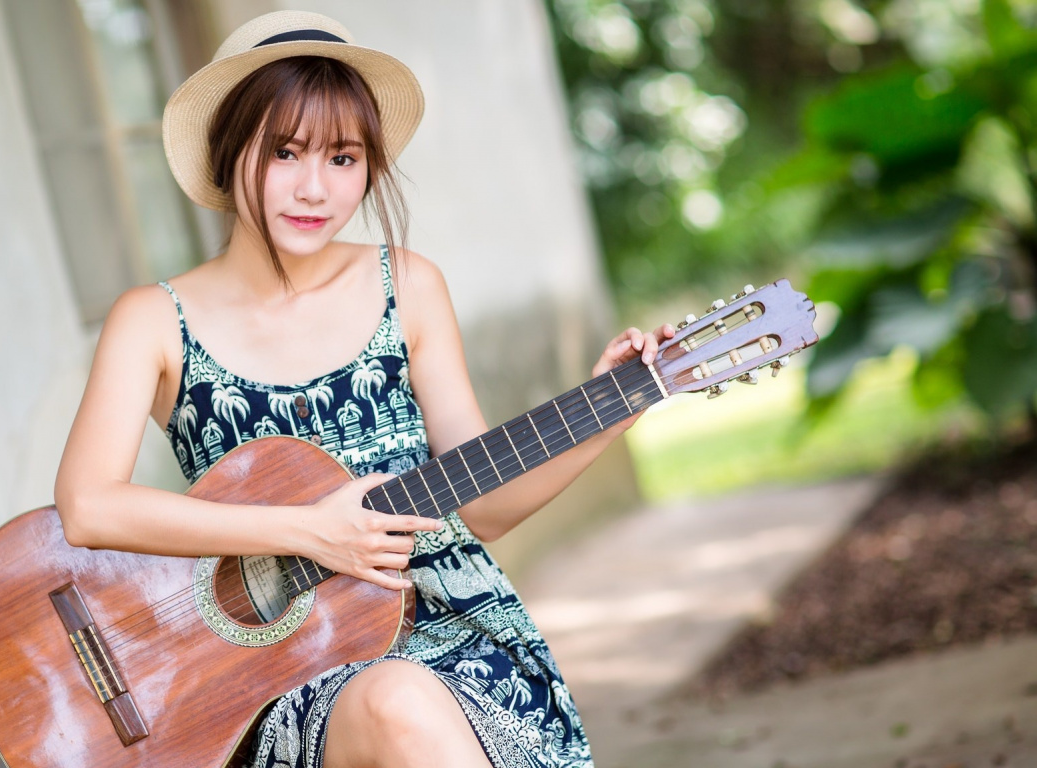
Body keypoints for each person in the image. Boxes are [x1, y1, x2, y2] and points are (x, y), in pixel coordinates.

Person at [54, 11, 672, 768]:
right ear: (228, 150)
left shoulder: (406, 285)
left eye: (343, 158)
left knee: (406, 698)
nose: (315, 188)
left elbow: (482, 506)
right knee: (395, 702)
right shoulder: (153, 322)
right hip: (275, 673)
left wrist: (609, 410)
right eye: (284, 152)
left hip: (450, 634)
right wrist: (307, 532)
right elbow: (88, 506)